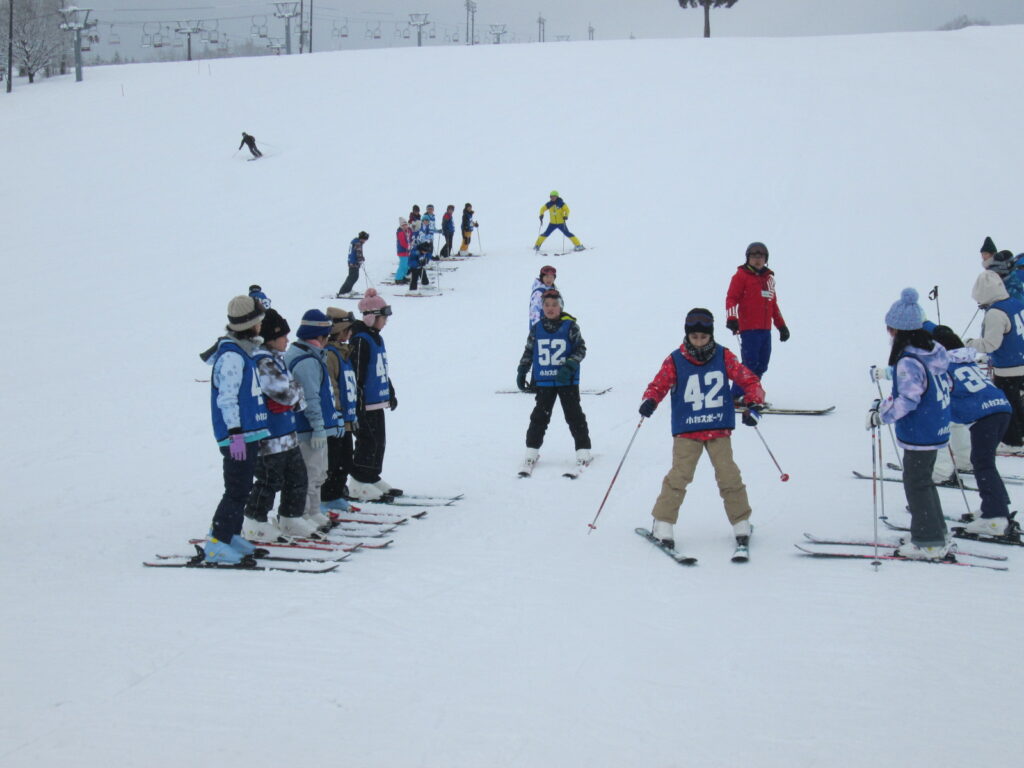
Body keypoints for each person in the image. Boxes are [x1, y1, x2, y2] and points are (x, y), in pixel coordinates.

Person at [638, 308, 765, 551]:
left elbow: (749, 380)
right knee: (679, 476)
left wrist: (754, 404)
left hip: (718, 426)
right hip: (688, 429)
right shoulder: (675, 359)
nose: (698, 342)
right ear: (687, 335)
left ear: (711, 335)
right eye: (694, 337)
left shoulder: (723, 356)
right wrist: (650, 400)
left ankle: (741, 521)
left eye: (703, 337)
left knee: (729, 475)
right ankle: (663, 522)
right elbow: (658, 384)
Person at [866, 288, 952, 560]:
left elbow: (909, 399)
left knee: (916, 482)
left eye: (890, 329)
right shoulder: (931, 351)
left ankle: (928, 541)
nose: (889, 333)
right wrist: (884, 406)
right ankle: (936, 530)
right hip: (935, 425)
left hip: (920, 430)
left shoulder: (908, 360)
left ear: (897, 330)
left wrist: (882, 416)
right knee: (923, 479)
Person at [927, 325, 1015, 538]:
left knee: (982, 463)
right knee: (984, 462)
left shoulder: (943, 367)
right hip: (1001, 408)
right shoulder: (964, 360)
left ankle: (995, 517)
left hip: (985, 416)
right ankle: (995, 506)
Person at [242, 309, 322, 542]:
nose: (288, 340)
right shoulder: (263, 362)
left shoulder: (276, 360)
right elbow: (287, 394)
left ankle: (290, 516)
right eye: (283, 336)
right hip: (270, 437)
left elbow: (296, 395)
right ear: (271, 337)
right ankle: (254, 520)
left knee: (297, 477)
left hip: (287, 434)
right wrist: (293, 393)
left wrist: (293, 393)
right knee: (269, 480)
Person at [204, 295, 269, 563]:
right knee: (236, 488)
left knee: (243, 487)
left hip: (248, 432)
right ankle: (217, 541)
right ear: (249, 324)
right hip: (237, 436)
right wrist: (235, 433)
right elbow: (227, 398)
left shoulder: (244, 352)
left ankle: (230, 534)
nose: (261, 326)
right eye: (259, 321)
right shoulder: (232, 356)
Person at [516, 289, 592, 474]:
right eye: (546, 305)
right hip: (544, 381)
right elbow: (529, 350)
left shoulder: (570, 326)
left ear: (561, 307)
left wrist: (570, 365)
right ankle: (531, 452)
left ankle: (583, 451)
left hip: (567, 381)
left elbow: (580, 349)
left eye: (554, 305)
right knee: (539, 417)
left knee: (574, 415)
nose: (550, 308)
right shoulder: (537, 328)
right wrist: (523, 369)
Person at [284, 310, 341, 532]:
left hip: (314, 427)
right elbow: (310, 397)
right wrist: (318, 426)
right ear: (319, 336)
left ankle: (313, 510)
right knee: (310, 472)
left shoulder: (313, 356)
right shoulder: (307, 361)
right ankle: (304, 513)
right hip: (306, 428)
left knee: (318, 472)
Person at [348, 289, 401, 501]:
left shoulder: (376, 338)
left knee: (379, 442)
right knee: (367, 442)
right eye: (383, 317)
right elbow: (357, 373)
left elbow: (381, 370)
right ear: (372, 317)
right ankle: (359, 481)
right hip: (365, 403)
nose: (386, 322)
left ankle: (371, 476)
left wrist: (390, 392)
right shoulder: (361, 340)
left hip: (377, 401)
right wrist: (358, 401)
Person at [965, 270, 1024, 452]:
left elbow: (990, 344)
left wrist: (969, 343)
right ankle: (1021, 434)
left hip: (1008, 368)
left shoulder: (996, 313)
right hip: (1021, 361)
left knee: (1007, 405)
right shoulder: (1017, 304)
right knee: (1018, 402)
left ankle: (1013, 442)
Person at [725, 242, 789, 403]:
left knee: (762, 364)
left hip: (765, 330)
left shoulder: (769, 280)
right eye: (754, 256)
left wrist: (781, 326)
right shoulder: (741, 276)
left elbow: (773, 305)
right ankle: (735, 396)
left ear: (766, 259)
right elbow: (731, 298)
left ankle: (751, 393)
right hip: (749, 329)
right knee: (750, 364)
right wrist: (732, 318)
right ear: (748, 258)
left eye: (761, 256)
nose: (757, 259)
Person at [321, 308, 359, 512]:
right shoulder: (330, 354)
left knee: (345, 459)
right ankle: (325, 496)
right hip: (337, 420)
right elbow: (332, 387)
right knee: (333, 461)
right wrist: (338, 412)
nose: (350, 334)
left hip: (347, 419)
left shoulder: (343, 352)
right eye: (348, 329)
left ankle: (335, 494)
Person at [337, 231, 369, 297]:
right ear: (362, 238)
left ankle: (348, 290)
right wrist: (361, 259)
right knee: (352, 277)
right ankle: (343, 292)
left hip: (352, 262)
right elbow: (358, 253)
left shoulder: (355, 241)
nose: (365, 241)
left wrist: (361, 258)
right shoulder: (358, 243)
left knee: (353, 277)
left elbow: (355, 252)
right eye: (365, 239)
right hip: (353, 263)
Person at [395, 218, 412, 284]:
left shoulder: (408, 231)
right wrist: (408, 246)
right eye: (403, 225)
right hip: (402, 251)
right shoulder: (400, 232)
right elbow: (403, 242)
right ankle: (398, 278)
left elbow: (411, 237)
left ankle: (403, 276)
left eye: (405, 225)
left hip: (407, 251)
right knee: (403, 265)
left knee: (407, 265)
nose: (405, 226)